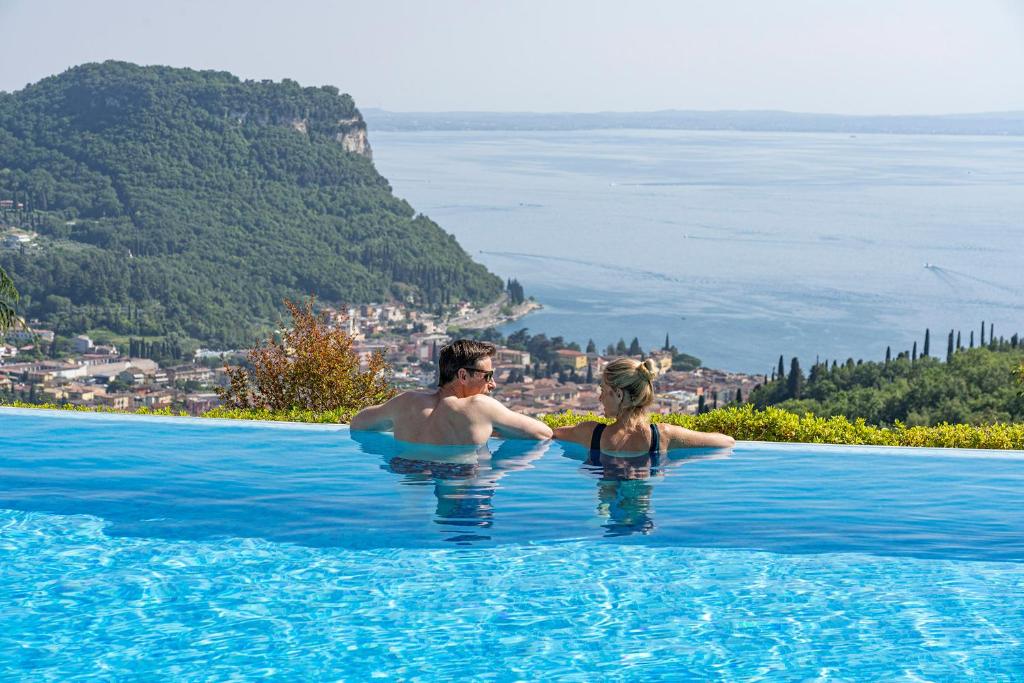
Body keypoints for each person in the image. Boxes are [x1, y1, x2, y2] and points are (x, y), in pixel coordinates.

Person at [351, 339, 552, 445]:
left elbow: (358, 424)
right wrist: (497, 428)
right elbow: (544, 434)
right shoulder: (479, 407)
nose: (493, 384)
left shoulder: (406, 402)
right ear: (463, 376)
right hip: (458, 482)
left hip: (410, 477)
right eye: (488, 376)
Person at [553, 357, 735, 458]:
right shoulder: (664, 436)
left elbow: (547, 434)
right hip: (643, 521)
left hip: (605, 518)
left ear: (618, 394)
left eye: (603, 390)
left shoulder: (590, 433)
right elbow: (727, 442)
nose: (600, 398)